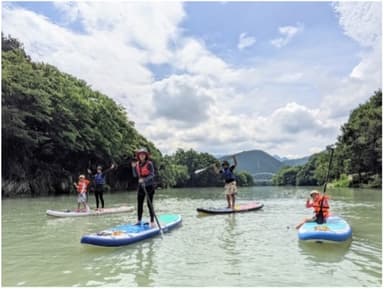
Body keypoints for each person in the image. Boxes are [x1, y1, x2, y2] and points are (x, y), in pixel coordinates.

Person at [131, 147, 156, 227]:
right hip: (141, 187)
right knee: (139, 204)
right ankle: (139, 220)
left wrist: (144, 180)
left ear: (145, 156)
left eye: (143, 155)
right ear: (138, 156)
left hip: (149, 186)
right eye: (140, 155)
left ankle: (152, 221)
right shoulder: (137, 164)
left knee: (149, 204)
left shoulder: (149, 164)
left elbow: (152, 174)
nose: (142, 156)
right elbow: (135, 175)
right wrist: (133, 168)